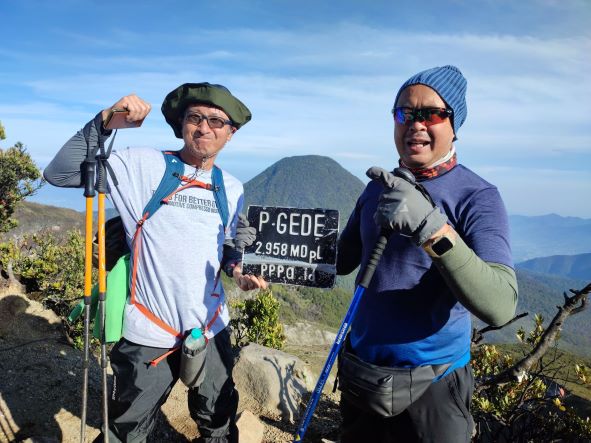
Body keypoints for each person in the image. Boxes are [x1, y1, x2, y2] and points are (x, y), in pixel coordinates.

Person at [44, 82, 266, 443]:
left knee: (219, 420)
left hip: (210, 327)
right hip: (149, 331)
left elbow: (227, 244)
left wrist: (237, 271)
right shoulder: (142, 166)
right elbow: (61, 173)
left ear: (231, 133)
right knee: (128, 429)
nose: (204, 127)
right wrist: (106, 121)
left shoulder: (232, 187)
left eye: (216, 121)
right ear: (181, 124)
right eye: (194, 117)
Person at [336, 65, 518, 442]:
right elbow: (341, 260)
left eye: (431, 114)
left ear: (454, 125)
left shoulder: (477, 196)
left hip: (433, 382)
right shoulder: (378, 188)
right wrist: (265, 248)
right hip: (362, 370)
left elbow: (501, 304)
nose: (416, 124)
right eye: (405, 113)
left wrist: (432, 229)